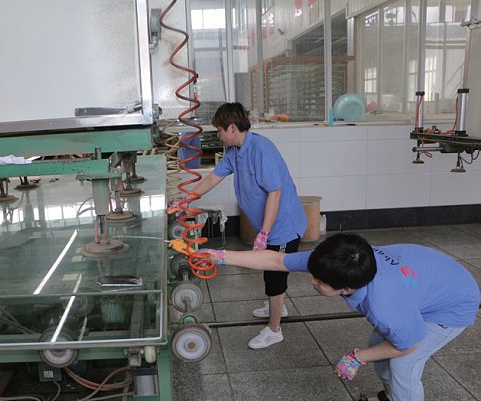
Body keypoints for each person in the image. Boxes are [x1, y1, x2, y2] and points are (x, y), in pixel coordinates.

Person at [203, 233, 480, 401]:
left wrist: (356, 357)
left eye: (320, 282)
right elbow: (276, 260)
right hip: (427, 278)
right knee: (382, 354)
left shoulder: (384, 307)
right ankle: (389, 396)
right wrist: (220, 255)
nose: (312, 280)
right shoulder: (335, 261)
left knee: (402, 364)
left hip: (452, 304)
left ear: (346, 289)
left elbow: (408, 345)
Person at [172, 102, 306, 349]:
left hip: (282, 226)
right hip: (269, 225)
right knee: (271, 272)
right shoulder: (235, 151)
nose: (218, 135)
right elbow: (213, 177)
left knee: (274, 273)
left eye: (220, 130)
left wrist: (265, 232)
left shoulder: (261, 150)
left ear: (232, 128)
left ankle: (274, 329)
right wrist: (186, 199)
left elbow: (275, 193)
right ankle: (278, 305)